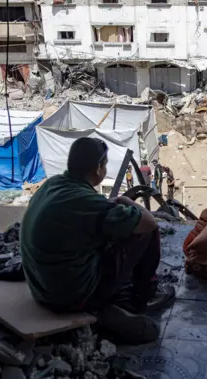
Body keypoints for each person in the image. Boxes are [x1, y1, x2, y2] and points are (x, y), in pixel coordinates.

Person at [20, 138, 175, 345]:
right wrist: (125, 201)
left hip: (40, 290)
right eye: (105, 164)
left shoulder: (52, 185)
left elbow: (78, 219)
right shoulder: (89, 203)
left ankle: (105, 309)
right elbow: (149, 222)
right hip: (72, 297)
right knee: (143, 233)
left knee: (110, 236)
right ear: (97, 169)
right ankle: (140, 297)